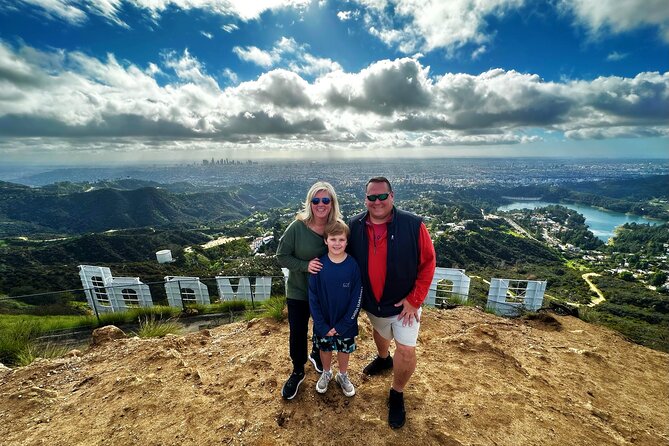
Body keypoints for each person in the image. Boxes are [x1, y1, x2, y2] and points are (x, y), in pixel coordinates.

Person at [347, 177, 436, 429]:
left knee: (406, 349)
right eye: (371, 197)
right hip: (373, 303)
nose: (377, 202)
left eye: (382, 196)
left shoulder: (413, 225)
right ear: (365, 199)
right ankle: (384, 358)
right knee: (380, 331)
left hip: (405, 305)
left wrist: (414, 300)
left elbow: (428, 263)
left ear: (392, 196)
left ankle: (397, 392)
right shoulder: (354, 226)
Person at [276, 181, 343, 400]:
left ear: (332, 203)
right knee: (297, 332)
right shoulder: (297, 227)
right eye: (316, 200)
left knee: (322, 329)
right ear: (309, 203)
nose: (321, 204)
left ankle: (316, 354)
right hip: (298, 291)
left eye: (326, 200)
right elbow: (281, 256)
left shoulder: (336, 228)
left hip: (324, 294)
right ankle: (297, 370)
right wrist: (305, 266)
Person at [309, 220, 362, 397]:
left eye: (341, 239)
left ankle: (343, 375)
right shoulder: (319, 266)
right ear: (326, 240)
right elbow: (313, 297)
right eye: (333, 239)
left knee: (344, 349)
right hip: (324, 321)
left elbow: (357, 298)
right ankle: (326, 372)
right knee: (324, 349)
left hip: (346, 323)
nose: (337, 243)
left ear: (347, 241)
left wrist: (345, 323)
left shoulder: (353, 266)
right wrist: (321, 324)